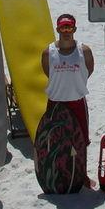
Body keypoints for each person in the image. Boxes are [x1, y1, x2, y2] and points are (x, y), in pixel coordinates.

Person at [40, 14, 95, 155]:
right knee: (55, 142)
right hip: (55, 102)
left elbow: (89, 70)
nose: (66, 32)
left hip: (77, 102)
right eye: (62, 28)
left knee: (80, 142)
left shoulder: (85, 51)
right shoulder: (48, 53)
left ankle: (80, 174)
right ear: (57, 30)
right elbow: (49, 73)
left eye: (69, 28)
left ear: (74, 29)